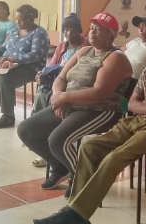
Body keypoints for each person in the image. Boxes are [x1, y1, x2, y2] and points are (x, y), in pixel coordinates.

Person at [32, 25, 146, 224]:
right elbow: (132, 103)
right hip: (137, 120)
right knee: (90, 147)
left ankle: (75, 215)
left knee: (114, 158)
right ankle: (76, 211)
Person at [17, 11, 132, 188]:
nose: (92, 32)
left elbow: (99, 92)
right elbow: (61, 77)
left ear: (111, 34)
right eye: (91, 28)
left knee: (57, 140)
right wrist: (58, 95)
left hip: (100, 110)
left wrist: (64, 97)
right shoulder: (84, 51)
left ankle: (83, 181)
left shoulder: (115, 57)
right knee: (26, 129)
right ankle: (60, 167)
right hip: (70, 104)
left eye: (99, 29)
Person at [0, 6, 50, 129]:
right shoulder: (15, 31)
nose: (17, 22)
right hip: (8, 64)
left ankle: (8, 116)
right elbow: (4, 47)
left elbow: (36, 54)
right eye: (16, 19)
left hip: (30, 67)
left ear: (30, 19)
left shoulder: (39, 33)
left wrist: (14, 59)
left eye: (21, 20)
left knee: (3, 78)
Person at [30, 16, 89, 116]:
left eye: (73, 31)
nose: (69, 34)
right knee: (42, 93)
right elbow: (51, 66)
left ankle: (48, 120)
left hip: (71, 80)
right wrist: (42, 74)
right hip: (57, 79)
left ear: (79, 31)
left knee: (51, 96)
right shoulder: (62, 46)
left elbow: (81, 70)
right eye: (66, 30)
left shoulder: (86, 46)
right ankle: (36, 119)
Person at [124, 15, 146, 80]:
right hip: (117, 74)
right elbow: (117, 53)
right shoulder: (135, 41)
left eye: (144, 27)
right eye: (139, 27)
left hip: (132, 81)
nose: (140, 30)